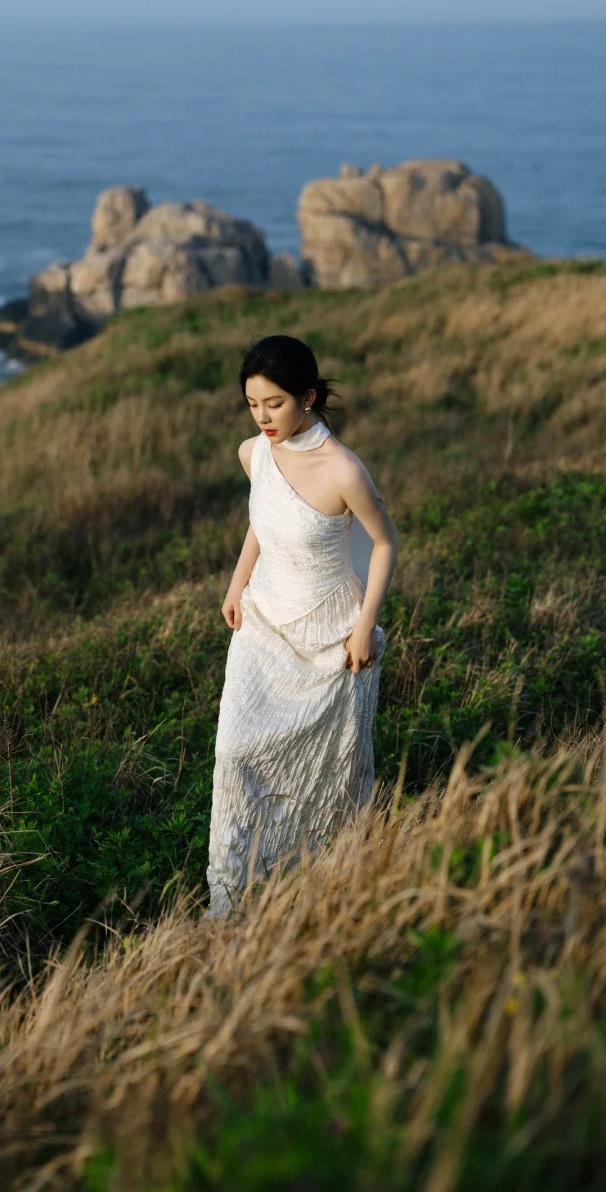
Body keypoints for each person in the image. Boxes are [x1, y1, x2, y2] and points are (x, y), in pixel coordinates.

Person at [202, 334, 400, 920]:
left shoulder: (343, 469)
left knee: (325, 777)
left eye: (275, 403)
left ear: (307, 398)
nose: (262, 417)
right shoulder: (254, 453)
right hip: (263, 624)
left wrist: (366, 626)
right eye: (253, 404)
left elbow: (385, 543)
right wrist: (237, 586)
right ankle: (234, 897)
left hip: (329, 637)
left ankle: (313, 886)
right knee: (236, 752)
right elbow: (263, 521)